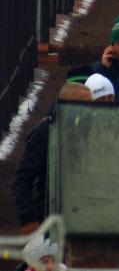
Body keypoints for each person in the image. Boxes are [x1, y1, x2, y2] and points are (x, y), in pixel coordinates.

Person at [13, 82, 93, 234]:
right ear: (67, 105)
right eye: (84, 105)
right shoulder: (46, 131)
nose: (89, 110)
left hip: (84, 218)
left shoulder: (92, 128)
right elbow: (22, 178)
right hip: (49, 219)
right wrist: (28, 218)